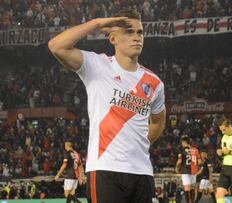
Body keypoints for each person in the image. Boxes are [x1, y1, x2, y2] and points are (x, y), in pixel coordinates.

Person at [48, 9, 166, 203]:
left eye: (140, 32)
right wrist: (97, 23)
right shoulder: (97, 65)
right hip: (105, 169)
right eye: (129, 32)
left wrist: (137, 145)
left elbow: (158, 123)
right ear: (112, 39)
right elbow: (56, 46)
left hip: (142, 171)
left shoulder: (154, 82)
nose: (137, 37)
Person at [176, 136, 201, 203]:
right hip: (194, 171)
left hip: (185, 171)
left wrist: (177, 168)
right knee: (192, 188)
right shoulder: (195, 150)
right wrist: (196, 168)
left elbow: (180, 161)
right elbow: (199, 162)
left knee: (187, 189)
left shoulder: (182, 150)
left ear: (184, 142)